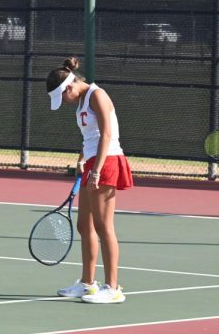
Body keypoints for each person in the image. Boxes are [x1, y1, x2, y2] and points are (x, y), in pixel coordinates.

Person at [47, 57, 133, 304]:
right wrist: (82, 158)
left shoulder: (98, 95)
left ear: (70, 87)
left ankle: (113, 288)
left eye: (63, 96)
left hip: (107, 163)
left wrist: (96, 169)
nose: (63, 102)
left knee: (105, 227)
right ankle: (88, 284)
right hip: (93, 162)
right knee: (85, 226)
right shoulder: (82, 100)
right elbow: (91, 136)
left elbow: (107, 133)